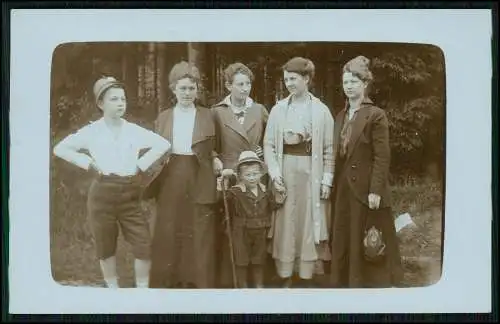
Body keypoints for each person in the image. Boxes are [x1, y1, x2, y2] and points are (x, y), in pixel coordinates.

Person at [53, 76, 171, 288]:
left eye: (123, 100)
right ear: (100, 104)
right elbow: (60, 148)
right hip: (102, 193)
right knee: (105, 245)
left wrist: (140, 165)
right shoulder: (92, 131)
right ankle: (112, 290)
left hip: (130, 193)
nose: (120, 104)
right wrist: (88, 163)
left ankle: (142, 290)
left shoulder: (133, 130)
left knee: (143, 244)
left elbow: (162, 144)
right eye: (113, 99)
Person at [329, 55, 403, 288]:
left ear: (365, 83)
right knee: (344, 235)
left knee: (369, 237)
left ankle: (369, 284)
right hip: (344, 188)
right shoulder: (340, 116)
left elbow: (382, 156)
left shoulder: (375, 114)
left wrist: (375, 190)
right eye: (345, 82)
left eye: (353, 81)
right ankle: (344, 282)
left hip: (367, 188)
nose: (348, 86)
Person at [143, 61, 219, 289]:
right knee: (169, 226)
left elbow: (216, 147)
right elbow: (156, 149)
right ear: (173, 89)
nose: (187, 93)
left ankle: (197, 280)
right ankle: (169, 279)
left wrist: (215, 159)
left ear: (197, 90)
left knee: (198, 227)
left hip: (200, 174)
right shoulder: (164, 117)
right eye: (183, 88)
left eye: (192, 88)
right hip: (171, 174)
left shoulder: (209, 115)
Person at [263, 57, 335, 288]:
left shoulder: (321, 111)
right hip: (285, 171)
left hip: (311, 173)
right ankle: (285, 273)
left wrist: (326, 180)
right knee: (286, 220)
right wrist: (275, 174)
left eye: (293, 79)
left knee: (307, 220)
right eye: (286, 80)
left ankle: (306, 274)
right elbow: (269, 145)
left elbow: (328, 149)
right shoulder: (278, 109)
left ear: (306, 79)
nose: (289, 84)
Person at [210, 62, 269, 288]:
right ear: (228, 86)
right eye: (240, 84)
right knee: (232, 231)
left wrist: (262, 149)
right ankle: (232, 282)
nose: (245, 89)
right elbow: (212, 146)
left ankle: (260, 282)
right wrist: (217, 161)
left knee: (256, 231)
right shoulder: (217, 112)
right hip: (230, 177)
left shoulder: (260, 110)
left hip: (254, 176)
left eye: (248, 84)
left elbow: (270, 140)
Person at [224, 151, 285, 288]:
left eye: (255, 174)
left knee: (259, 259)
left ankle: (259, 285)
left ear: (261, 174)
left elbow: (273, 205)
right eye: (248, 175)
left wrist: (280, 197)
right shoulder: (235, 192)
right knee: (242, 260)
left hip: (260, 231)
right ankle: (243, 286)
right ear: (240, 176)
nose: (252, 178)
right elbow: (223, 202)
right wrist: (224, 183)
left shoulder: (265, 191)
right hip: (241, 232)